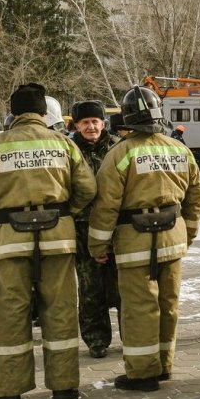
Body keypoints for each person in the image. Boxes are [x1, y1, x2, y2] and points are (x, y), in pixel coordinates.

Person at [0, 83, 97, 399]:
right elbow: (86, 189)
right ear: (41, 113)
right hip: (58, 239)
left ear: (14, 112)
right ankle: (64, 388)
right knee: (61, 310)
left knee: (11, 313)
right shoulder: (63, 144)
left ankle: (9, 393)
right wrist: (65, 213)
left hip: (11, 240)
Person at [89, 86, 200, 392]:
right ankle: (164, 365)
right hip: (173, 238)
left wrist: (98, 246)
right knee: (169, 303)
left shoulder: (120, 154)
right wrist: (188, 234)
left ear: (127, 118)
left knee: (140, 307)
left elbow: (106, 205)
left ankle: (143, 373)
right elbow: (196, 197)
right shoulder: (179, 149)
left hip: (133, 242)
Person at [69, 100, 122, 359]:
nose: (91, 126)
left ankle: (132, 335)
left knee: (124, 287)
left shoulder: (118, 148)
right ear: (76, 125)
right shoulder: (69, 150)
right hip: (83, 229)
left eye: (95, 121)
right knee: (91, 289)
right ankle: (96, 340)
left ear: (103, 123)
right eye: (85, 122)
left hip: (117, 228)